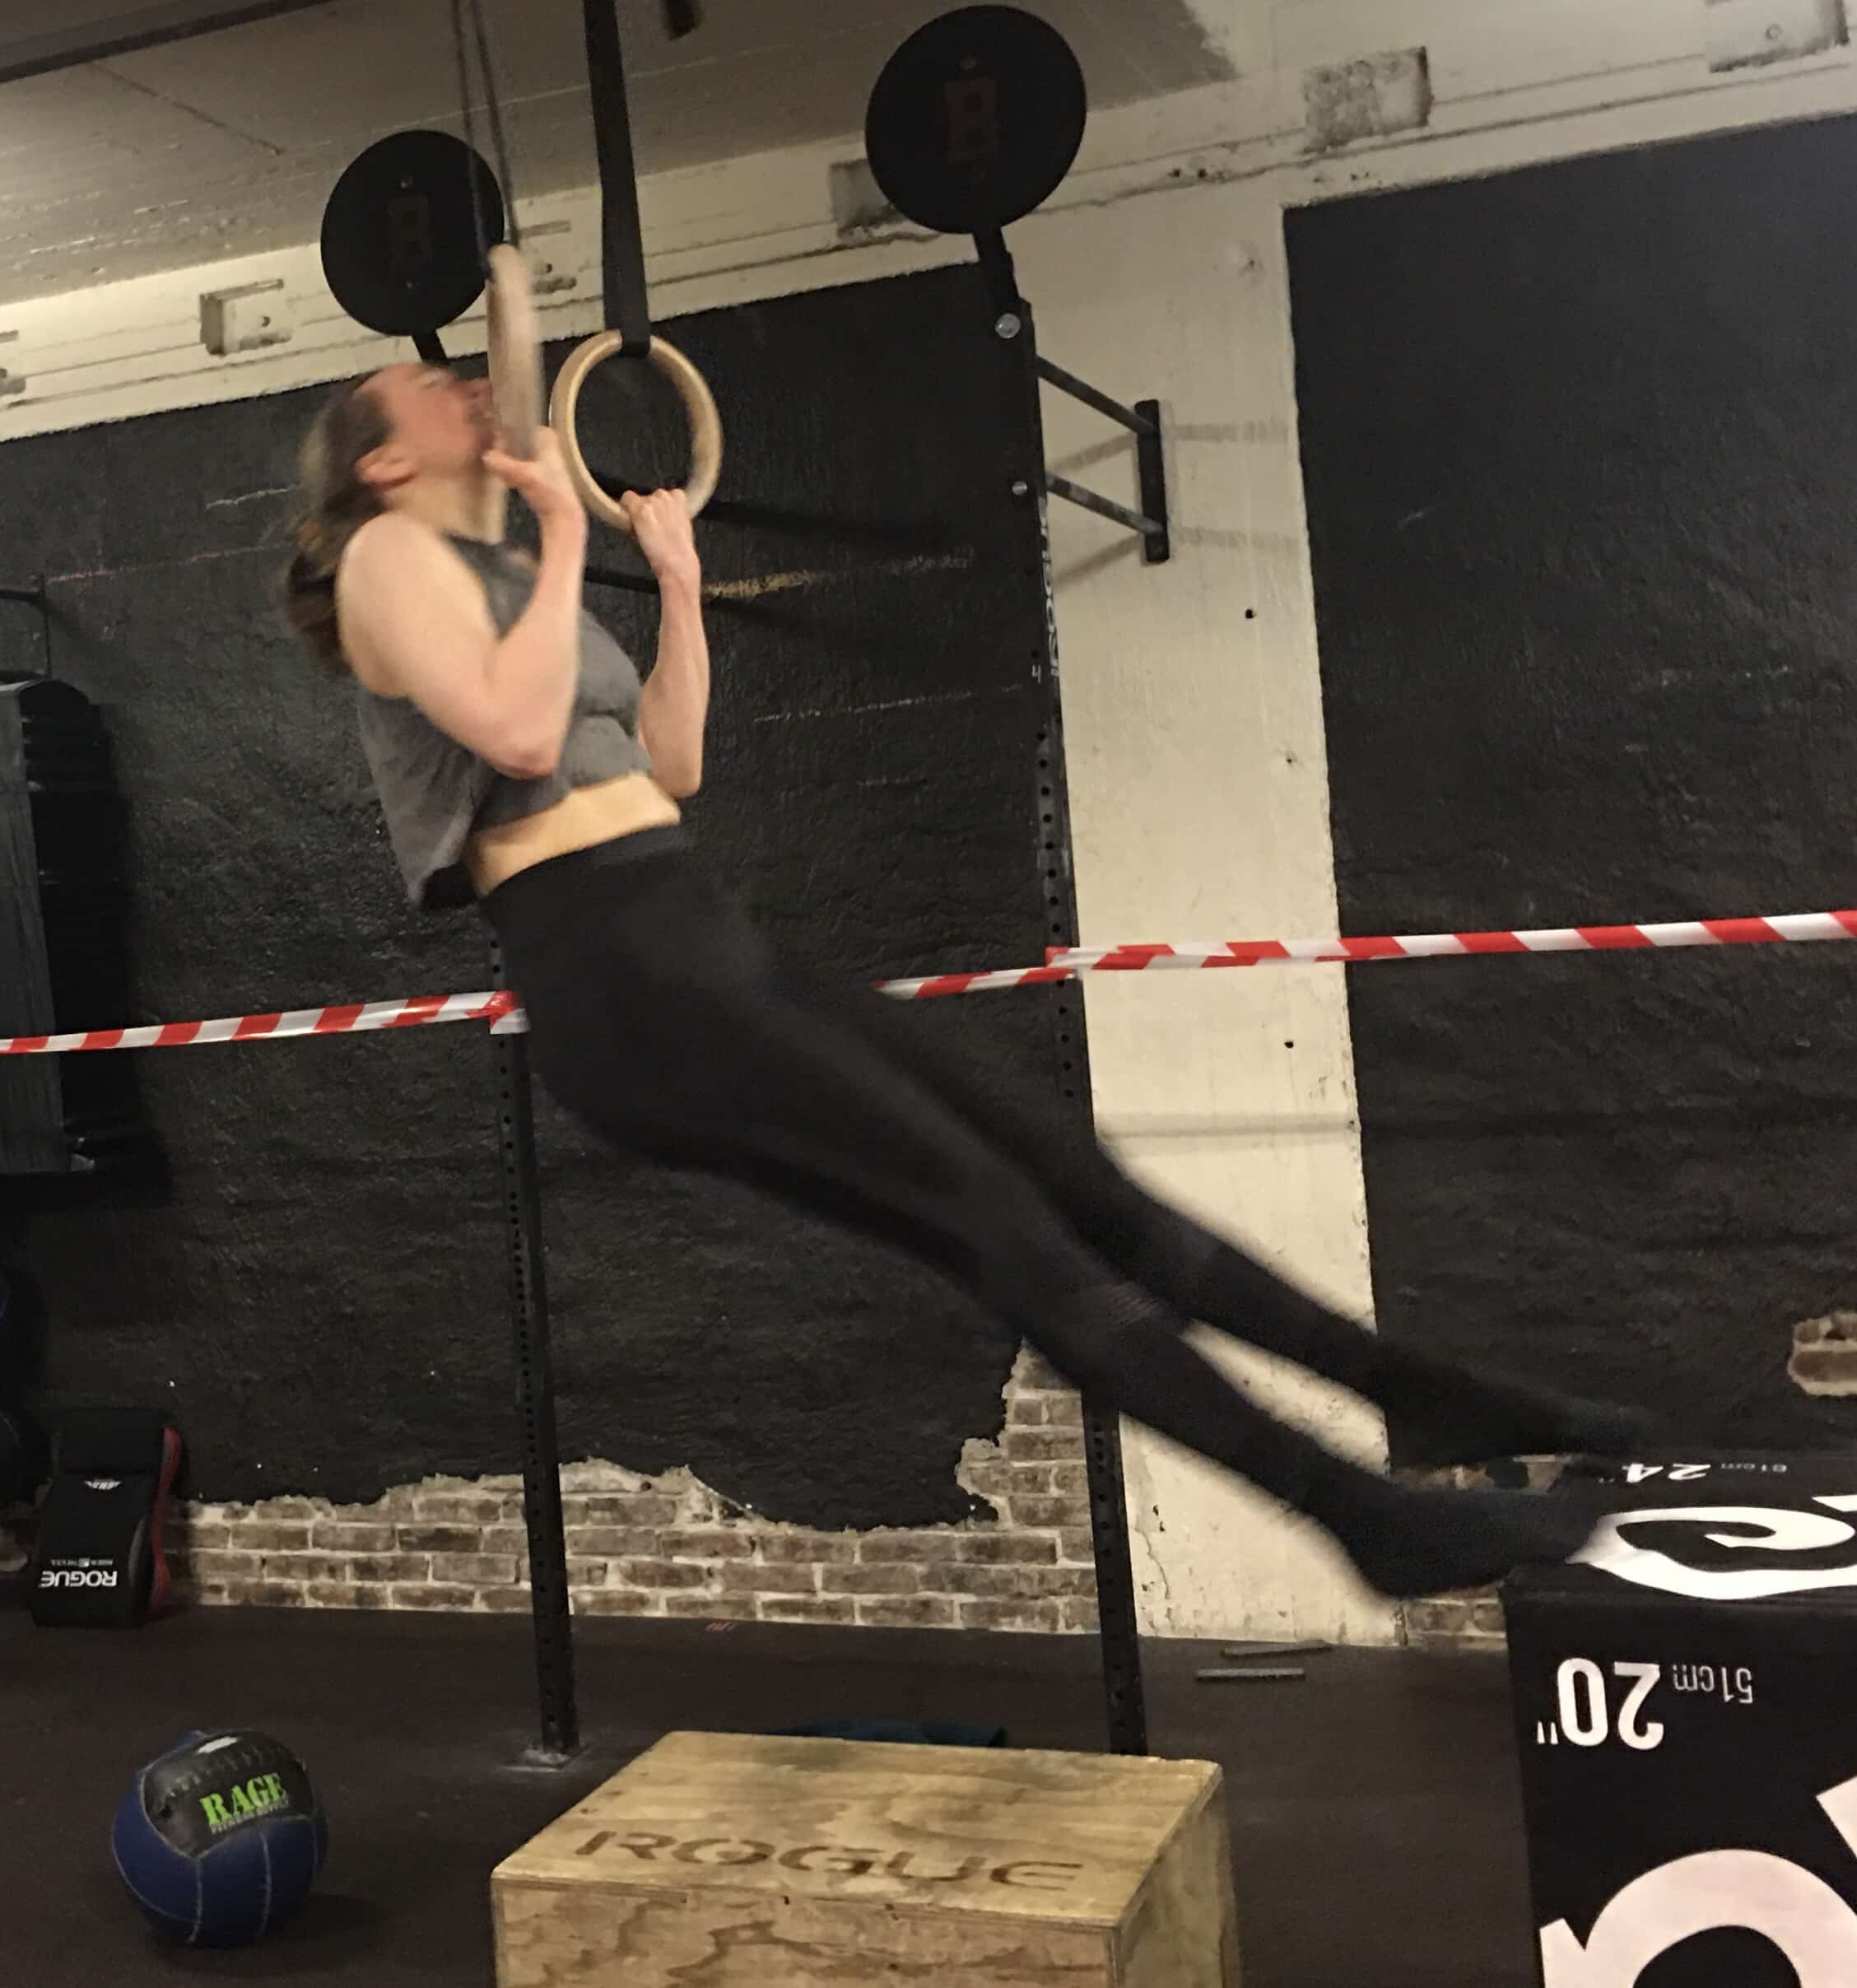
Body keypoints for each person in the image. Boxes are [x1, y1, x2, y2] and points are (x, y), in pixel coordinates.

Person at [282, 361, 1642, 1599]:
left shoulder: (503, 574)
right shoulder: (385, 553)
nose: (467, 386)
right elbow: (520, 733)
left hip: (690, 928)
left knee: (1080, 1187)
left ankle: (1415, 1391)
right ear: (380, 461)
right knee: (1006, 1229)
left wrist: (678, 582)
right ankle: (1364, 1516)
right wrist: (568, 534)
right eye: (429, 388)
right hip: (618, 974)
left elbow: (670, 763)